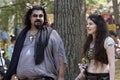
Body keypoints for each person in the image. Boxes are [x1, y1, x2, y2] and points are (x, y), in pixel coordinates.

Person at [3, 5, 67, 80]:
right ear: (30, 18)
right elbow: (15, 58)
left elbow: (60, 57)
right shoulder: (22, 35)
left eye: (41, 16)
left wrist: (61, 77)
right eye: (35, 16)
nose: (38, 18)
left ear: (44, 18)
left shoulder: (51, 34)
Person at [75, 14, 115, 80]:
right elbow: (88, 62)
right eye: (87, 24)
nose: (88, 26)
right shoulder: (88, 42)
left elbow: (112, 64)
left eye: (91, 24)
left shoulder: (108, 41)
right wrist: (83, 69)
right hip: (88, 76)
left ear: (98, 26)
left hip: (102, 77)